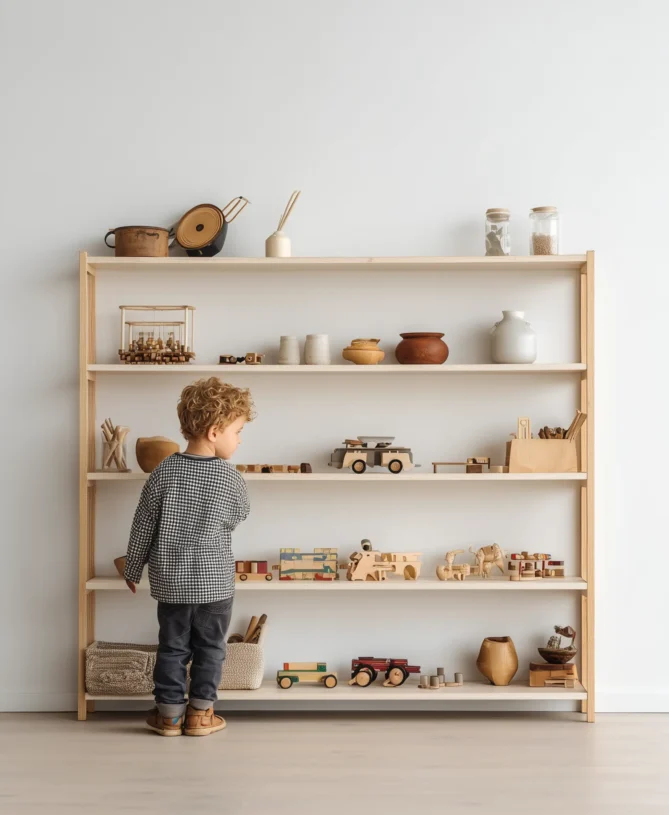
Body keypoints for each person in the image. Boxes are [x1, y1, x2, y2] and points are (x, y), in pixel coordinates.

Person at [123, 377, 254, 736]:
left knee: (172, 647)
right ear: (215, 431)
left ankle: (168, 716)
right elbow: (239, 515)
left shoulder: (163, 471)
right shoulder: (232, 478)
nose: (239, 439)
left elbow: (142, 526)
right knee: (211, 648)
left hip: (172, 583)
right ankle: (201, 714)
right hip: (214, 584)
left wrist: (133, 568)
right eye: (237, 431)